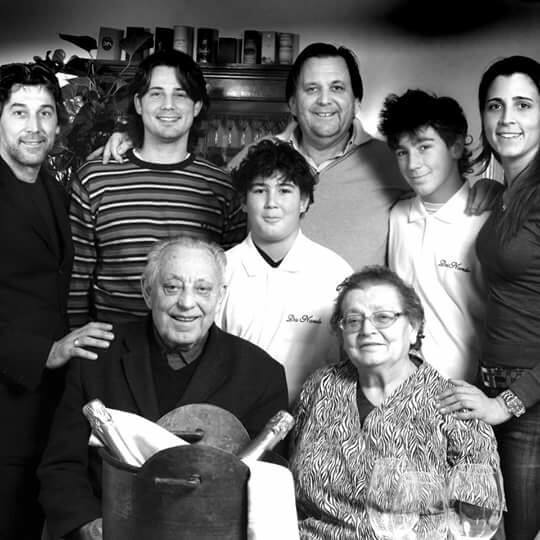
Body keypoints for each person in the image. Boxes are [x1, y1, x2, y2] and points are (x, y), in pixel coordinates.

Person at [100, 43, 498, 269]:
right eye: (311, 90)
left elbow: (443, 193)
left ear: (356, 100)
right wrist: (133, 141)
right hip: (266, 339)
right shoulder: (256, 157)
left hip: (358, 353)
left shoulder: (391, 159)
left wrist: (488, 191)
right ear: (292, 103)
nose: (324, 100)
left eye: (337, 88)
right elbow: (203, 204)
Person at [39, 235, 288, 540]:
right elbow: (61, 466)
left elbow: (268, 490)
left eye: (202, 289)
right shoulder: (96, 358)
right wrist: (88, 525)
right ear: (148, 291)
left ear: (220, 295)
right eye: (172, 287)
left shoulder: (261, 374)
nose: (186, 303)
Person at [290, 266, 500, 539]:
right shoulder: (320, 386)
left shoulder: (456, 404)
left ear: (413, 328)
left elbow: (479, 520)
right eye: (353, 320)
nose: (367, 329)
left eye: (384, 317)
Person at [0, 62, 114, 540]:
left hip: (40, 409)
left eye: (45, 113)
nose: (35, 127)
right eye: (19, 112)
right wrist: (44, 352)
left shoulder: (51, 184)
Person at [437, 55, 540, 540]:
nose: (507, 119)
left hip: (529, 399)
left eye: (523, 105)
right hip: (491, 384)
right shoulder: (510, 194)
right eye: (495, 106)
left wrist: (509, 404)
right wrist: (490, 192)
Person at [68, 49, 246, 328]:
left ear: (196, 106)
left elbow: (230, 282)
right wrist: (77, 343)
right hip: (111, 345)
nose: (168, 105)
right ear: (138, 104)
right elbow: (76, 280)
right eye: (156, 94)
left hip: (194, 346)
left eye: (180, 95)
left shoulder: (222, 188)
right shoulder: (95, 179)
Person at [216, 139, 352, 404]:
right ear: (243, 202)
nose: (271, 203)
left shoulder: (335, 273)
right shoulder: (220, 271)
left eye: (284, 190)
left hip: (317, 417)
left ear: (304, 201)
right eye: (260, 190)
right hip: (237, 417)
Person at [380, 89, 488, 382]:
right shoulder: (397, 216)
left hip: (466, 390)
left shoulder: (487, 220)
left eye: (424, 147)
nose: (412, 164)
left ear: (456, 146)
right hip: (401, 389)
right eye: (402, 152)